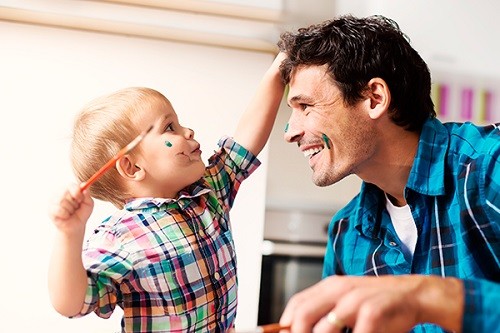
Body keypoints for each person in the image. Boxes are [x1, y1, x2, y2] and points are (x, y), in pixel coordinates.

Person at [275, 15, 500, 333]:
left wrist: (427, 296)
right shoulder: (346, 233)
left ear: (374, 98)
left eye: (306, 106)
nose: (290, 132)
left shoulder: (489, 166)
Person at [48, 53, 285, 332]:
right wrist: (70, 234)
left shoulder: (208, 194)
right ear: (132, 166)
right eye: (169, 127)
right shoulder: (119, 237)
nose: (188, 130)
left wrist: (281, 67)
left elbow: (245, 141)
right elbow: (71, 304)